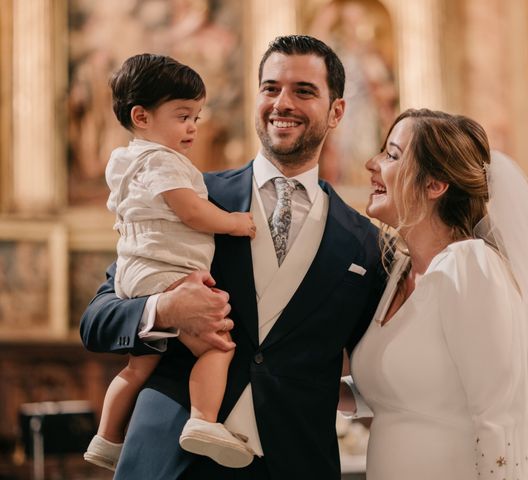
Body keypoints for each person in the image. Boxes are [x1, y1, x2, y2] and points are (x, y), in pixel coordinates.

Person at [80, 36, 386, 479]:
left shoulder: (364, 243)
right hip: (169, 459)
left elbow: (374, 360)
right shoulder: (186, 196)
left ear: (337, 111)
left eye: (303, 91)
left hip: (293, 461)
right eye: (270, 88)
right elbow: (98, 320)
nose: (282, 103)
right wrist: (164, 309)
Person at [340, 108, 528, 479]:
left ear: (435, 185)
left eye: (392, 155)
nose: (372, 163)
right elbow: (409, 393)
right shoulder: (399, 272)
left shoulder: (469, 267)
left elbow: (500, 418)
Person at [83, 54, 257, 471]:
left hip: (140, 267)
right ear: (141, 116)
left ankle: (106, 437)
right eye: (183, 116)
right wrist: (233, 222)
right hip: (167, 274)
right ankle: (202, 420)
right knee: (217, 344)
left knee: (137, 367)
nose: (194, 127)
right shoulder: (165, 163)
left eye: (196, 116)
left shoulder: (126, 161)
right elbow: (193, 213)